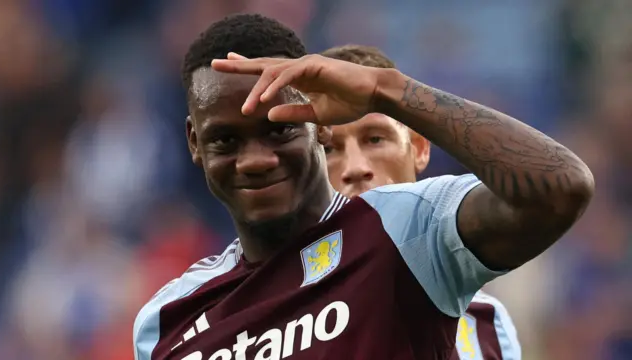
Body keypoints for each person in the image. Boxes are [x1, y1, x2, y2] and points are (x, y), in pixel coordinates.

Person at [133, 14, 594, 360]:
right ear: (195, 142)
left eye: (279, 131)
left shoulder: (404, 229)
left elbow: (560, 187)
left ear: (318, 126)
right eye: (226, 139)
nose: (255, 160)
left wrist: (384, 88)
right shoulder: (166, 321)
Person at [319, 44, 521, 360]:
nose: (356, 167)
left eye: (375, 139)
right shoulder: (275, 317)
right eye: (329, 149)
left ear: (419, 148)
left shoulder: (487, 323)